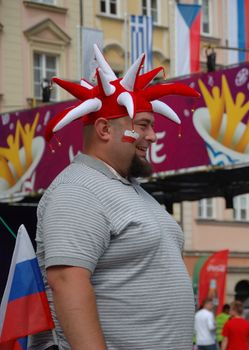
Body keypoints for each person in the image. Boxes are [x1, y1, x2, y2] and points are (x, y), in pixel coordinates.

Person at [29, 45, 200, 350]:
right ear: (105, 129)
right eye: (142, 125)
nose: (151, 136)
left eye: (152, 126)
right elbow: (68, 282)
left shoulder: (134, 192)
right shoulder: (77, 190)